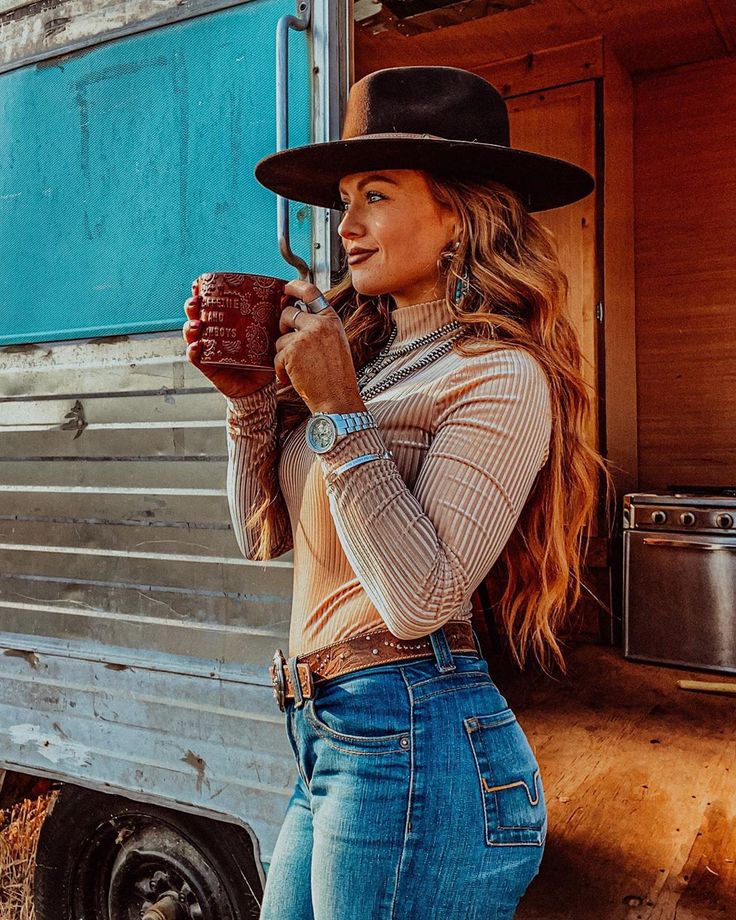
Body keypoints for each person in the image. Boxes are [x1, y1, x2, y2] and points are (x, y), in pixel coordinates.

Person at [183, 66, 612, 920]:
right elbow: (262, 541)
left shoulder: (499, 373)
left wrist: (340, 410)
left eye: (373, 196)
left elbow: (423, 598)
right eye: (343, 201)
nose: (345, 228)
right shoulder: (367, 360)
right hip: (325, 735)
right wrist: (250, 403)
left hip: (416, 738)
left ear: (458, 212)